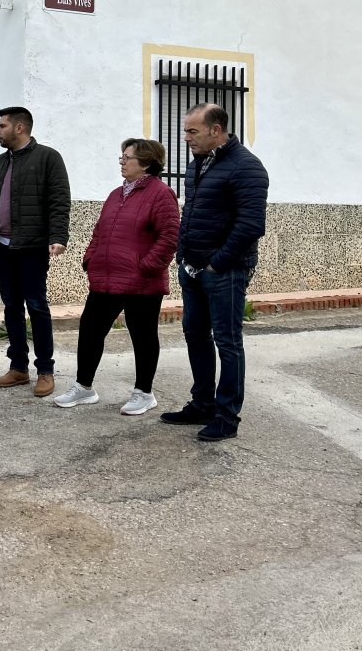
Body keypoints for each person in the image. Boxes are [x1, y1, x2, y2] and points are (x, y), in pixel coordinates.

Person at [161, 103, 268, 441]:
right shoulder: (198, 165)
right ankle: (202, 404)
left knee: (228, 341)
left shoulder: (247, 167)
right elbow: (191, 212)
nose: (186, 137)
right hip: (192, 268)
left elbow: (251, 225)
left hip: (226, 271)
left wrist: (217, 262)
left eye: (192, 131)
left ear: (216, 130)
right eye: (186, 130)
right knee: (195, 334)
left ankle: (226, 416)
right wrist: (183, 255)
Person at [53, 139, 179, 415]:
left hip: (142, 282)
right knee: (90, 331)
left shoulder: (161, 194)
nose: (121, 161)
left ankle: (143, 393)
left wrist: (145, 266)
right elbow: (99, 231)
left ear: (145, 163)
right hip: (106, 278)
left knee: (143, 337)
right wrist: (91, 258)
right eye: (121, 156)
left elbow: (169, 238)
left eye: (127, 157)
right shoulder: (115, 194)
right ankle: (84, 387)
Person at [0, 106, 70, 398]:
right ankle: (18, 368)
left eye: (2, 126)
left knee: (36, 306)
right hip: (2, 245)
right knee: (11, 307)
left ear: (20, 128)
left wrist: (58, 236)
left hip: (32, 246)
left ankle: (45, 371)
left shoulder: (48, 158)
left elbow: (60, 200)